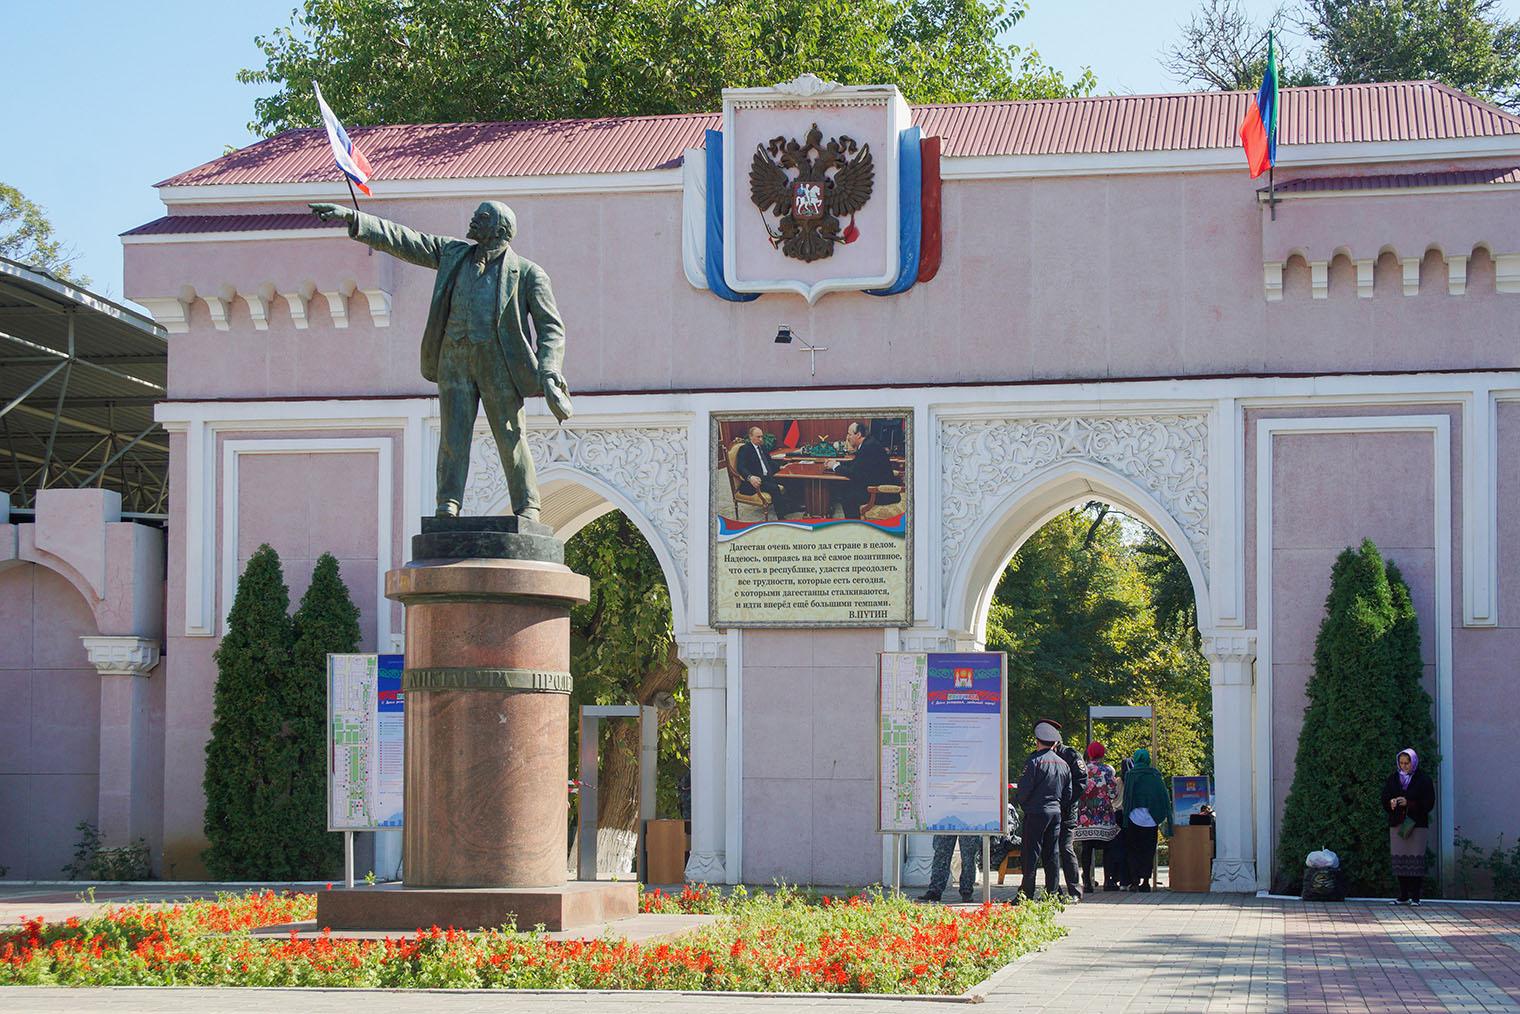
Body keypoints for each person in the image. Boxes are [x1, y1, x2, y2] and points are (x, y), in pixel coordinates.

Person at [310, 200, 570, 520]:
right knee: (452, 435)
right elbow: (406, 239)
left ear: (500, 229)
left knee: (510, 434)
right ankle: (448, 502)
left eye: (482, 217)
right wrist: (355, 219)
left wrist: (549, 372)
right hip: (454, 357)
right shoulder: (453, 254)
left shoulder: (529, 273)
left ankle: (527, 506)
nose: (473, 220)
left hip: (499, 362)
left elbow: (551, 329)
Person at [1015, 719, 1073, 900]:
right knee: (1052, 853)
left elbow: (1024, 790)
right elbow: (1068, 793)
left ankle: (1026, 894)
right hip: (1055, 812)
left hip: (1036, 812)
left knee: (1030, 854)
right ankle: (1052, 893)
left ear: (1037, 741)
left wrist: (1021, 804)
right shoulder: (1064, 764)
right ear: (1055, 743)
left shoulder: (1034, 762)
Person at [1382, 747, 1436, 906]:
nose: (1404, 766)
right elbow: (1384, 797)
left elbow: (1428, 803)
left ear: (1414, 762)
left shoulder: (1423, 779)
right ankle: (1403, 895)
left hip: (1416, 825)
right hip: (1398, 824)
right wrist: (1391, 803)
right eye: (1401, 763)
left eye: (1407, 763)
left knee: (1416, 860)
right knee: (1400, 860)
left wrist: (1410, 803)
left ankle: (1416, 897)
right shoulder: (1393, 778)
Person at [1122, 747, 1172, 892]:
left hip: (1133, 817)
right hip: (1151, 818)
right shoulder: (1155, 775)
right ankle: (1145, 881)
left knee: (1133, 850)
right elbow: (1162, 796)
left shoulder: (1131, 775)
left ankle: (1135, 880)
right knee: (1148, 850)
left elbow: (1127, 797)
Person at [827, 421, 899, 519]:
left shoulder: (869, 447)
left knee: (848, 497)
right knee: (845, 489)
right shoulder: (868, 443)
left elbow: (854, 473)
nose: (847, 437)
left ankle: (855, 527)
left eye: (849, 434)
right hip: (874, 484)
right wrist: (837, 463)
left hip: (883, 493)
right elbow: (856, 464)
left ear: (859, 435)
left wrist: (835, 466)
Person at [1075, 741, 1121, 893]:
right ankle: (1108, 881)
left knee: (1086, 849)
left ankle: (1087, 882)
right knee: (1108, 848)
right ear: (1103, 753)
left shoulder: (1082, 769)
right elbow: (1114, 793)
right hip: (1104, 816)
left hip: (1085, 816)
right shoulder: (1108, 770)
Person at [1052, 730, 1090, 900]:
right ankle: (1053, 891)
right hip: (1049, 810)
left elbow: (1081, 782)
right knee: (1049, 851)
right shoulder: (1041, 755)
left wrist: (1065, 801)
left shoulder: (1071, 754)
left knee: (1066, 849)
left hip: (1067, 811)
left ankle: (1074, 890)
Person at [735, 426, 798, 516]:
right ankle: (781, 515)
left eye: (762, 437)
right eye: (758, 437)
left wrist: (781, 467)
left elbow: (770, 462)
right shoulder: (745, 449)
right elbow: (741, 467)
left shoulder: (763, 447)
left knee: (790, 480)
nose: (761, 439)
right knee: (774, 488)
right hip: (758, 480)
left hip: (769, 476)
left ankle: (792, 507)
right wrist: (750, 477)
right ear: (750, 437)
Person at [921, 834, 981, 903]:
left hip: (969, 825)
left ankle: (967, 891)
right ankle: (935, 891)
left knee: (968, 858)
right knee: (941, 855)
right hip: (946, 825)